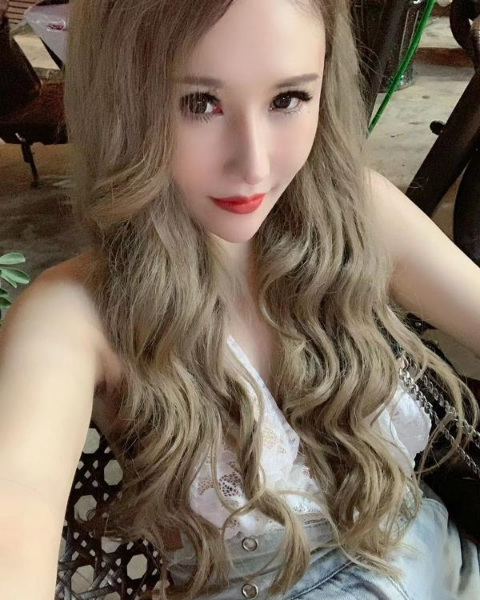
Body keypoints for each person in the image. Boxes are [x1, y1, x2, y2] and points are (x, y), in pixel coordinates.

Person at [1, 0, 480, 598]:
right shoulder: (75, 316)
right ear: (120, 100)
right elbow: (17, 499)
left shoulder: (357, 217)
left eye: (288, 99)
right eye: (200, 103)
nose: (253, 165)